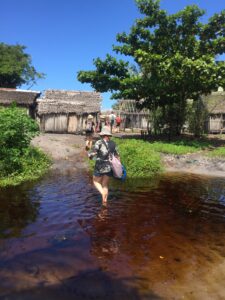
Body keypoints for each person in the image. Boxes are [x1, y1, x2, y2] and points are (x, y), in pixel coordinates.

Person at [88, 126, 119, 205]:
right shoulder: (113, 143)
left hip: (100, 165)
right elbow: (117, 156)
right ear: (108, 135)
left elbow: (92, 153)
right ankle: (104, 201)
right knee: (105, 185)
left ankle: (102, 193)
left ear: (103, 134)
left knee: (95, 181)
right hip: (109, 167)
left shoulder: (99, 142)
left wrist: (90, 157)